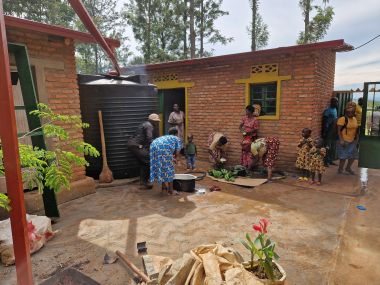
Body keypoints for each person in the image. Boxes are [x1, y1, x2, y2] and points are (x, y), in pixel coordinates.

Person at [127, 113, 160, 189]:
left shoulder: (144, 124)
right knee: (149, 160)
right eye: (156, 121)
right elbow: (149, 139)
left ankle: (143, 182)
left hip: (132, 144)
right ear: (152, 121)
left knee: (143, 163)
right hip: (137, 145)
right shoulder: (149, 126)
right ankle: (146, 182)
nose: (157, 123)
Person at [149, 127, 182, 195]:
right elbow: (178, 151)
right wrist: (176, 159)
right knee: (170, 169)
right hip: (163, 148)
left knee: (161, 166)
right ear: (176, 133)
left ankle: (164, 187)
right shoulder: (176, 138)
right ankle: (171, 190)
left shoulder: (165, 137)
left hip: (153, 145)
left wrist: (172, 157)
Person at [337, 103, 358, 175]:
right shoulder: (342, 119)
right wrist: (341, 140)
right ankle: (340, 170)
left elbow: (356, 129)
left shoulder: (355, 119)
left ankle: (348, 168)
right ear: (346, 112)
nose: (350, 113)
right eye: (348, 112)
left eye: (352, 112)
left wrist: (356, 139)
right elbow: (339, 131)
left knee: (353, 156)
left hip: (352, 140)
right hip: (344, 140)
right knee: (343, 157)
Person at [239, 105, 259, 169]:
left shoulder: (255, 120)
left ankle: (250, 166)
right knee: (244, 150)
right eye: (246, 110)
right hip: (245, 137)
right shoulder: (244, 118)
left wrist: (248, 133)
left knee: (250, 152)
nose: (246, 112)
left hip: (252, 138)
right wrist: (243, 132)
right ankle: (244, 165)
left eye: (247, 111)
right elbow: (240, 126)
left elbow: (255, 129)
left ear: (250, 112)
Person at [322, 97, 338, 166]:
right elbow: (324, 121)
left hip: (334, 131)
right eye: (335, 102)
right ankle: (325, 161)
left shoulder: (335, 110)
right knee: (327, 147)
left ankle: (330, 160)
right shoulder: (328, 111)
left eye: (337, 102)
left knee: (332, 147)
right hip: (328, 131)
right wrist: (324, 131)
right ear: (331, 102)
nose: (336, 103)